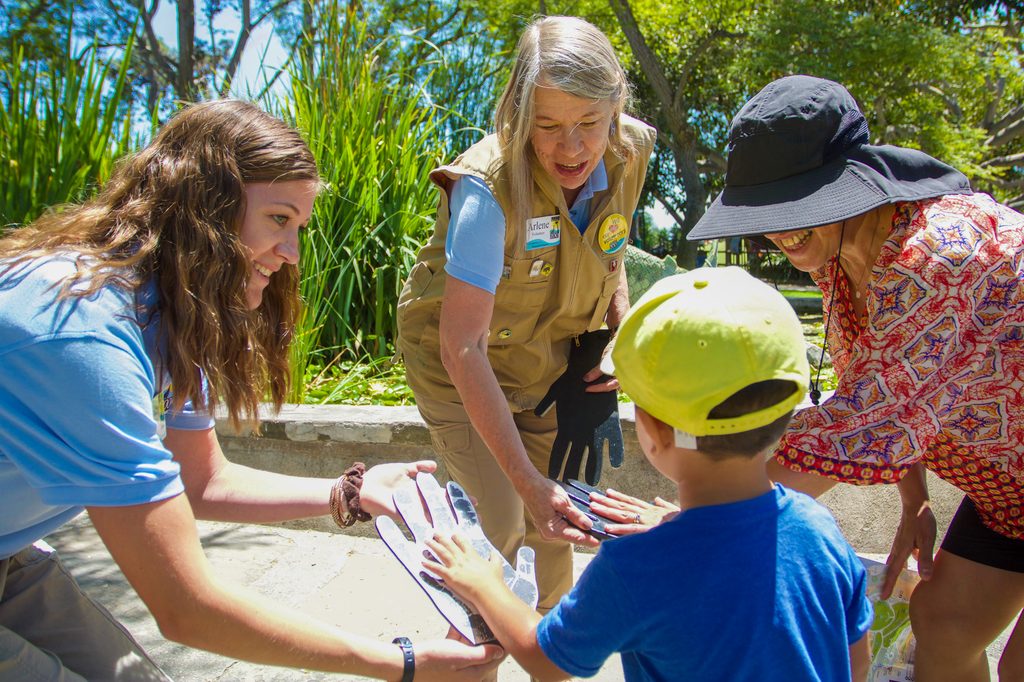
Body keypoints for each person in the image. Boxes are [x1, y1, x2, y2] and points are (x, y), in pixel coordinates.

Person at [0, 99, 502, 681]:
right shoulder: (81, 335)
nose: (291, 255)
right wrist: (403, 663)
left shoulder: (177, 310)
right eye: (279, 220)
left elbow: (201, 480)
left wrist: (349, 493)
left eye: (299, 229)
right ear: (205, 207)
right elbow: (186, 609)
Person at [688, 74, 1024, 681]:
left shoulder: (939, 252)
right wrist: (915, 497)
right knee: (944, 626)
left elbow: (868, 417)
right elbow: (890, 386)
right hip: (1011, 492)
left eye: (795, 205)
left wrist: (702, 513)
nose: (778, 229)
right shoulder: (840, 256)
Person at [421, 267, 873, 681]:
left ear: (653, 432)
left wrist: (483, 584)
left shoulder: (636, 567)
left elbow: (548, 659)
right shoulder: (820, 531)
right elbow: (854, 655)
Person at [396, 15, 656, 611]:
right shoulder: (486, 188)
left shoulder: (631, 150)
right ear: (518, 115)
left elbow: (609, 254)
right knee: (500, 526)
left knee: (556, 524)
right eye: (548, 126)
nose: (573, 148)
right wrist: (524, 482)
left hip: (547, 361)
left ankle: (551, 663)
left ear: (616, 104)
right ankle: (470, 663)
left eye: (590, 122)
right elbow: (462, 346)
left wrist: (622, 339)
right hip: (457, 365)